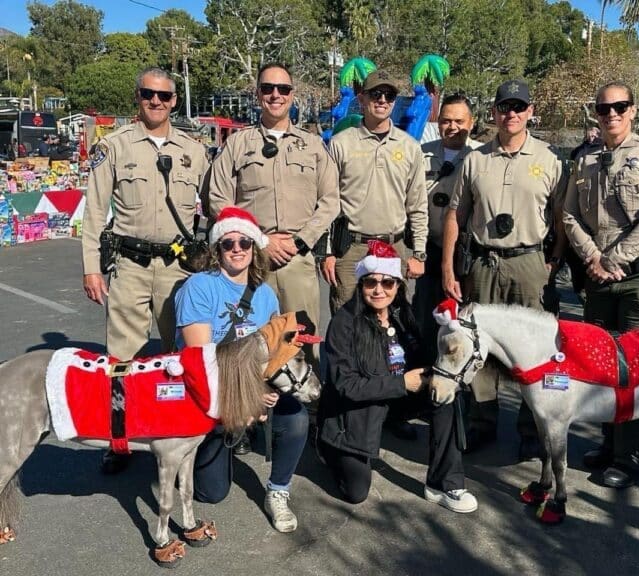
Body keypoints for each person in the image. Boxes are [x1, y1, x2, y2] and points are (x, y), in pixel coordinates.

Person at [81, 66, 209, 474]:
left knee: (181, 354)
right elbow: (95, 211)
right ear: (137, 97)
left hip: (179, 269)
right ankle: (119, 438)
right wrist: (91, 268)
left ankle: (178, 427)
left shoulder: (194, 149)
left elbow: (212, 204)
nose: (156, 102)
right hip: (131, 265)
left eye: (164, 96)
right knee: (122, 360)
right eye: (147, 94)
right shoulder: (115, 146)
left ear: (174, 101)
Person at [441, 79, 566, 459]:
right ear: (494, 112)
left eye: (519, 107)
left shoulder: (550, 159)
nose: (511, 113)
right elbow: (455, 215)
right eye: (504, 107)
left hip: (529, 262)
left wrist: (554, 259)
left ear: (529, 112)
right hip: (483, 261)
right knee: (480, 348)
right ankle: (482, 422)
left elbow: (562, 217)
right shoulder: (476, 160)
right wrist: (448, 268)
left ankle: (531, 428)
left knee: (535, 348)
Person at [562, 81, 639, 489]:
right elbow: (570, 216)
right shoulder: (585, 160)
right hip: (599, 278)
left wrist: (612, 258)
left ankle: (629, 457)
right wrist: (593, 257)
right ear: (595, 113)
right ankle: (610, 444)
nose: (611, 114)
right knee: (602, 365)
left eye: (619, 107)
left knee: (636, 371)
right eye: (603, 108)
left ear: (633, 110)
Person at [174, 206, 309, 533]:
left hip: (250, 383)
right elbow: (200, 360)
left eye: (244, 243)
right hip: (208, 388)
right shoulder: (198, 286)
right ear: (217, 249)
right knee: (212, 493)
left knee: (296, 417)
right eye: (228, 243)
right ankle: (178, 451)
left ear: (254, 247)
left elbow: (274, 355)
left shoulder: (265, 294)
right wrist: (243, 401)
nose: (237, 249)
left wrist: (268, 390)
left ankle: (278, 490)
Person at [317, 240, 477, 513]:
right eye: (371, 283)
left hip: (393, 396)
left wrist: (446, 335)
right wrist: (401, 383)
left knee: (446, 391)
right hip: (354, 410)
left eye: (387, 283)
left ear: (398, 286)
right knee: (356, 492)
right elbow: (346, 384)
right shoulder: (344, 323)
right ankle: (327, 445)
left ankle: (443, 483)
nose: (379, 290)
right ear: (360, 284)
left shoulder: (403, 313)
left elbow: (422, 360)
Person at [207, 62, 339, 381]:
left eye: (283, 89)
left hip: (298, 260)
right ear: (258, 95)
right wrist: (261, 240)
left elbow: (331, 200)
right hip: (252, 261)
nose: (275, 95)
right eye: (268, 89)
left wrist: (299, 241)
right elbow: (217, 198)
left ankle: (305, 417)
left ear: (292, 95)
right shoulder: (238, 145)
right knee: (252, 341)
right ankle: (254, 417)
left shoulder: (312, 146)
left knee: (303, 341)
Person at [323, 69, 428, 313]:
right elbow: (327, 200)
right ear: (361, 99)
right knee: (346, 324)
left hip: (394, 247)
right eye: (376, 94)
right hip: (351, 249)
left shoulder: (410, 147)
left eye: (389, 95)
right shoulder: (341, 143)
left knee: (392, 323)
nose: (382, 100)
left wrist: (419, 253)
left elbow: (417, 205)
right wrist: (326, 253)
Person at [413, 93, 481, 362]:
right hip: (429, 249)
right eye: (445, 121)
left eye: (458, 121)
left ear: (471, 123)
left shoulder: (480, 157)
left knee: (461, 323)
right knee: (426, 320)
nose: (451, 126)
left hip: (465, 253)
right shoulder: (421, 153)